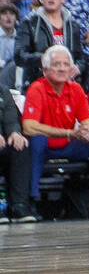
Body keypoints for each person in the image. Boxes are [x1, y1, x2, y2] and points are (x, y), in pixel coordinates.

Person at [22, 46, 89, 219]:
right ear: (45, 70)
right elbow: (29, 126)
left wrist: (88, 132)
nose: (61, 68)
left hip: (69, 145)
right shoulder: (36, 88)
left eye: (66, 64)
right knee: (36, 140)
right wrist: (68, 133)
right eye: (56, 64)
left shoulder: (75, 89)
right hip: (45, 148)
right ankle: (32, 201)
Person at [15, 0, 83, 86]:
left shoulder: (73, 26)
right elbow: (19, 56)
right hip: (37, 84)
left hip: (66, 84)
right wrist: (45, 59)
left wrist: (78, 67)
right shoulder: (29, 23)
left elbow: (80, 57)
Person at [0, 79, 33, 222]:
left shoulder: (2, 91)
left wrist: (14, 133)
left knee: (20, 146)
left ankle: (19, 205)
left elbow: (11, 119)